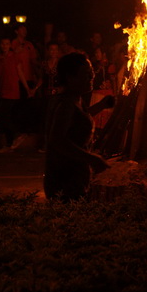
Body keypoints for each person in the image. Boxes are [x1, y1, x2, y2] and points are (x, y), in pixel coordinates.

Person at [44, 52, 111, 201]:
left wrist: (101, 105)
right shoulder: (65, 104)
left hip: (74, 176)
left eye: (92, 73)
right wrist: (93, 159)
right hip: (65, 180)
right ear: (70, 77)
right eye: (86, 74)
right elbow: (57, 139)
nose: (91, 77)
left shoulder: (75, 99)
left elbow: (80, 117)